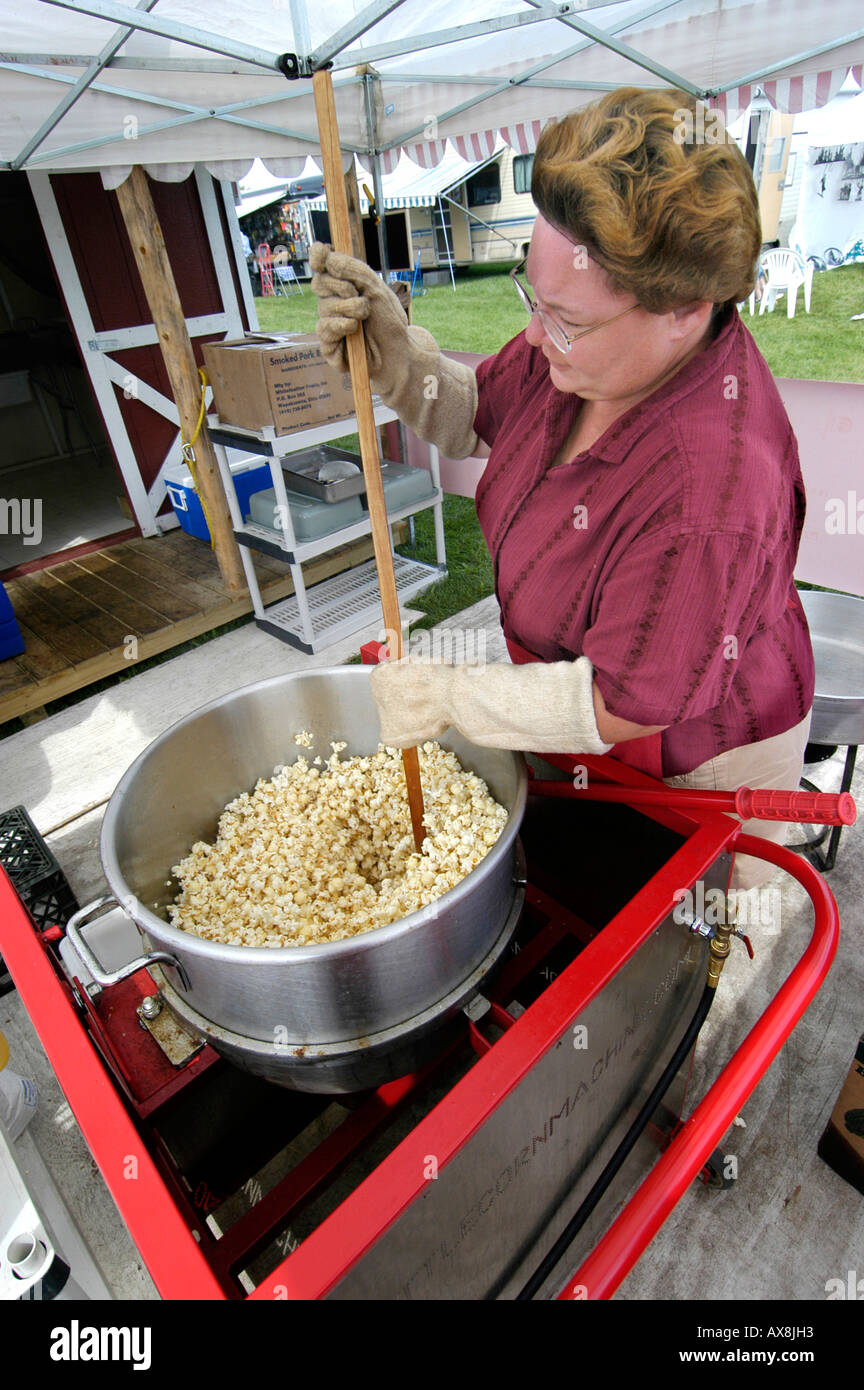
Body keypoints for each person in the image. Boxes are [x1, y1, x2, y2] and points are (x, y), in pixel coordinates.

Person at [310, 87, 815, 890]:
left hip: (689, 765)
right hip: (570, 708)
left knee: (670, 958)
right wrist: (400, 362)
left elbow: (625, 706)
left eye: (565, 319)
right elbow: (484, 410)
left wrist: (453, 696)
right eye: (531, 301)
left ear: (686, 308)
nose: (538, 335)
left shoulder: (709, 493)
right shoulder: (580, 346)